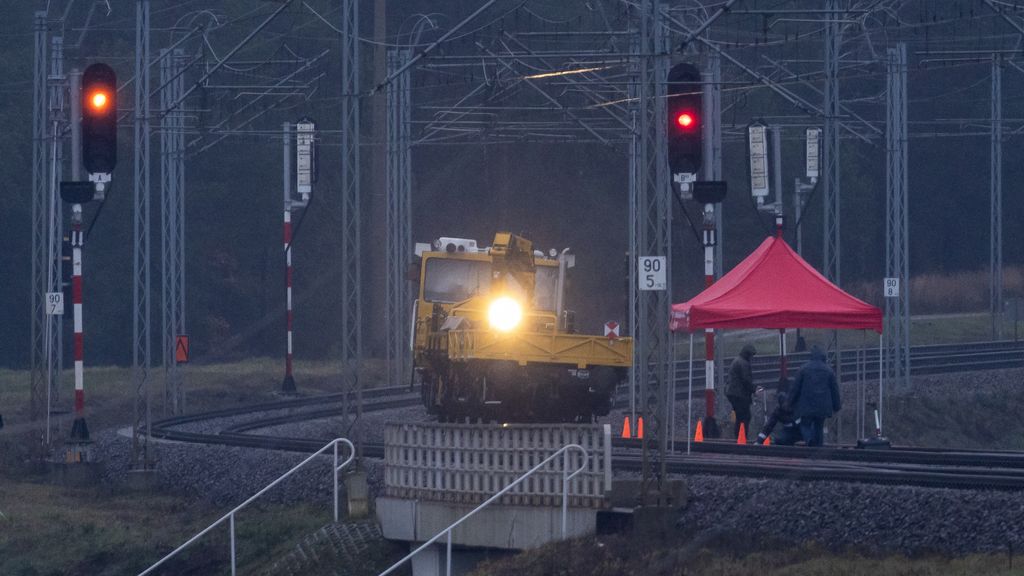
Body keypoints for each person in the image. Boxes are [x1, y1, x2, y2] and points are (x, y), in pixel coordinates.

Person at [787, 345, 841, 447]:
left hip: (807, 405)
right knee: (819, 427)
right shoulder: (829, 370)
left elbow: (795, 388)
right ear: (823, 357)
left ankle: (809, 440)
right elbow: (835, 389)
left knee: (805, 425)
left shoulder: (803, 369)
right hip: (823, 406)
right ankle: (819, 448)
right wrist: (837, 405)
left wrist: (789, 403)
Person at [757, 376, 800, 445]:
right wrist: (759, 441)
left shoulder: (798, 406)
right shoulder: (778, 412)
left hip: (802, 429)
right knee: (779, 440)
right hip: (789, 431)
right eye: (783, 405)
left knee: (809, 436)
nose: (786, 407)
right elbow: (768, 426)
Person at [726, 343, 757, 440]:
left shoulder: (737, 360)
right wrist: (753, 389)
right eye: (751, 355)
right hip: (739, 394)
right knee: (745, 416)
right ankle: (742, 437)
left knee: (739, 416)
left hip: (733, 393)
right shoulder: (743, 363)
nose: (752, 358)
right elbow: (746, 380)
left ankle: (739, 437)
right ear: (748, 354)